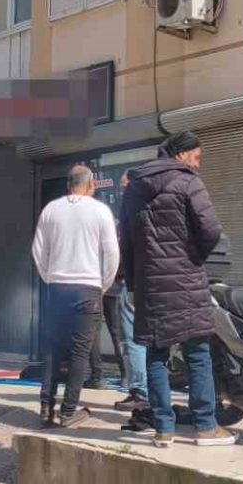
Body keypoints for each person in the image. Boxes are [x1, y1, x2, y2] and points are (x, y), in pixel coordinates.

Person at [121, 131, 237, 448]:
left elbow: (126, 241)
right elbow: (210, 229)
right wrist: (195, 256)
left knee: (156, 355)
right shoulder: (188, 182)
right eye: (196, 158)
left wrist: (132, 284)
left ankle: (163, 428)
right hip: (187, 281)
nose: (197, 165)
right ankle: (205, 427)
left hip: (150, 285)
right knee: (198, 353)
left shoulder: (134, 188)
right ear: (181, 154)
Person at [30, 164, 119, 428]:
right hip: (88, 287)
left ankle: (46, 407)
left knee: (53, 349)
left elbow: (38, 250)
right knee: (80, 351)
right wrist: (104, 284)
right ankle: (68, 411)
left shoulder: (51, 209)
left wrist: (49, 277)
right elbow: (112, 253)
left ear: (68, 184)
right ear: (91, 184)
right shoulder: (100, 211)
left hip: (57, 287)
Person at [109, 171, 149, 412]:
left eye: (124, 187)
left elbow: (126, 250)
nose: (120, 191)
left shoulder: (132, 213)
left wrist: (117, 274)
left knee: (133, 338)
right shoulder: (153, 208)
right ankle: (148, 391)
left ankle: (140, 392)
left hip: (133, 283)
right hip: (154, 283)